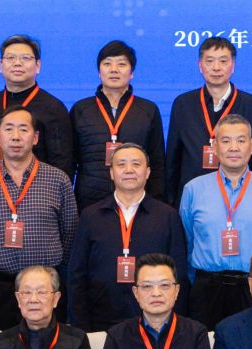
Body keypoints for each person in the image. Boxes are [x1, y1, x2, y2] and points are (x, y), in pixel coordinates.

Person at [0, 109, 77, 331]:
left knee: (48, 348)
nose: (16, 136)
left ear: (35, 138)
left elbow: (70, 233)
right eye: (9, 129)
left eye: (23, 129)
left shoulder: (58, 180)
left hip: (44, 288)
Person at [65, 141, 188, 333]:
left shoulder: (167, 216)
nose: (129, 170)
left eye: (136, 164)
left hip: (154, 323)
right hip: (100, 322)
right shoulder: (91, 216)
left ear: (148, 172)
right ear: (111, 173)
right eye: (121, 164)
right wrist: (81, 327)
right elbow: (77, 275)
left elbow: (179, 274)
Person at [177, 115, 252, 328]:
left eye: (241, 140)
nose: (233, 147)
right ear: (214, 146)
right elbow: (187, 242)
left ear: (251, 146)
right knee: (206, 347)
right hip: (207, 290)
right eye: (226, 141)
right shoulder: (193, 189)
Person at [165, 35, 252, 197]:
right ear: (200, 65)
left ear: (233, 65)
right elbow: (173, 158)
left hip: (240, 194)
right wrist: (170, 201)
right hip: (192, 195)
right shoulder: (183, 104)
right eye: (209, 61)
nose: (216, 67)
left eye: (223, 61)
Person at [69, 40, 165, 206]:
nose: (114, 69)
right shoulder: (81, 109)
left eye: (121, 64)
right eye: (107, 64)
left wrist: (156, 204)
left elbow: (157, 163)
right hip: (89, 200)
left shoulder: (148, 110)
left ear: (131, 72)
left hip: (136, 201)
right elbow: (70, 160)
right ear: (99, 72)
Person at [0, 34, 75, 173]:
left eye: (25, 58)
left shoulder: (54, 108)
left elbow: (63, 163)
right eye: (10, 58)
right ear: (0, 65)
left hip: (38, 186)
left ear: (38, 66)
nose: (17, 63)